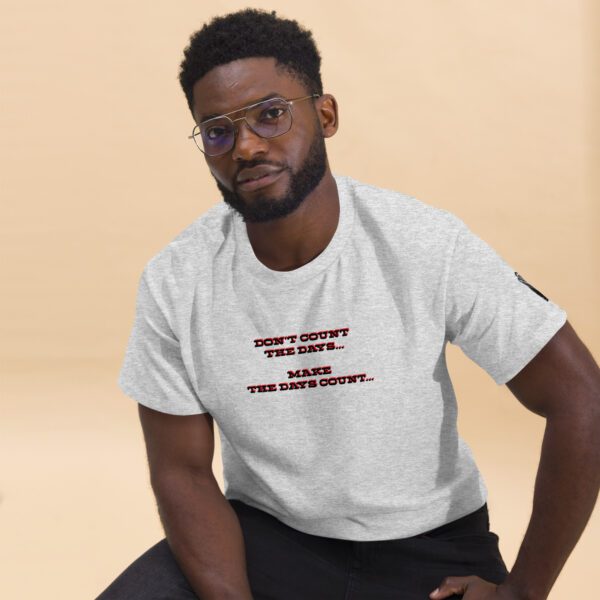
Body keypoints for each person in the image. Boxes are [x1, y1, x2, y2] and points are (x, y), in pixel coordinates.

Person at [96, 8, 600, 600]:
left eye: (271, 114)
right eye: (218, 131)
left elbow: (581, 399)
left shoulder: (423, 243)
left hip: (429, 548)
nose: (247, 146)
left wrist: (523, 593)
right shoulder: (176, 280)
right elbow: (180, 469)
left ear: (325, 114)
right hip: (267, 540)